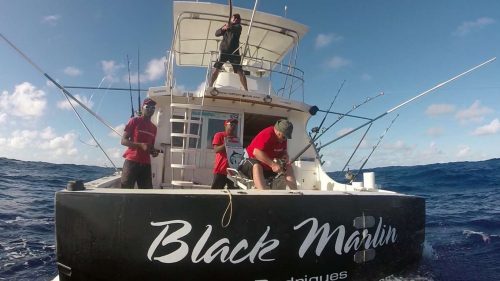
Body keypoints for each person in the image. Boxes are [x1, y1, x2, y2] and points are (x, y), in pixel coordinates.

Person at [239, 119, 297, 190]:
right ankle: (263, 195)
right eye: (284, 137)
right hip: (248, 162)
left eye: (286, 138)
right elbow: (256, 152)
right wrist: (273, 165)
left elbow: (283, 151)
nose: (284, 140)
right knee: (257, 166)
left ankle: (295, 193)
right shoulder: (267, 134)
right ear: (278, 132)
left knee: (288, 167)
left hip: (266, 166)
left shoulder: (282, 139)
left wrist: (285, 156)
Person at [120, 98, 159, 189]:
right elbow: (123, 141)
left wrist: (153, 151)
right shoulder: (134, 121)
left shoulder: (154, 128)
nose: (150, 109)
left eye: (153, 108)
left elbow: (150, 146)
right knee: (126, 190)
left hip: (146, 164)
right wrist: (140, 145)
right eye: (147, 107)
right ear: (142, 108)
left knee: (147, 194)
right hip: (131, 161)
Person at [209, 13, 248, 91]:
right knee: (216, 68)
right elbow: (216, 34)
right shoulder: (226, 26)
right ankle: (210, 86)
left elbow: (236, 29)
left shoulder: (238, 27)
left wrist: (230, 26)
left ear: (239, 21)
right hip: (223, 51)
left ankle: (246, 90)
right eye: (234, 18)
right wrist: (223, 29)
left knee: (240, 71)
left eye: (237, 19)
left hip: (234, 52)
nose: (236, 19)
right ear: (231, 19)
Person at [211, 118, 239, 189]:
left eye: (235, 125)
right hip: (220, 170)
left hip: (232, 172)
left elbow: (237, 154)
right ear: (225, 125)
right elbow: (216, 150)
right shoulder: (219, 135)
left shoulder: (235, 139)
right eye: (231, 124)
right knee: (216, 193)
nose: (234, 126)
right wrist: (227, 143)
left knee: (234, 193)